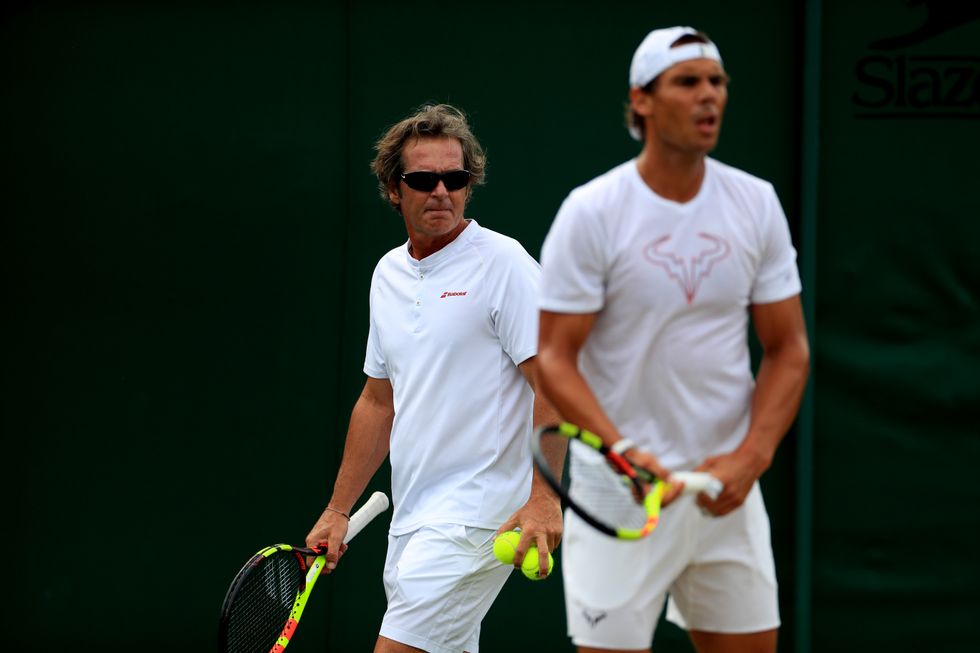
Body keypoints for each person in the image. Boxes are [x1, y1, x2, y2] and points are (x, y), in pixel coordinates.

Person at [535, 26, 811, 653]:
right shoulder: (593, 211)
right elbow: (554, 358)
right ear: (642, 101)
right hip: (620, 491)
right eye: (687, 82)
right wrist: (622, 450)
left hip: (725, 489)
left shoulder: (756, 203)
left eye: (717, 82)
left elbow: (789, 348)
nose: (708, 95)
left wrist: (753, 457)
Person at [305, 103, 563, 653]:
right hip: (413, 518)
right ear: (394, 190)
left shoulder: (504, 264)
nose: (441, 191)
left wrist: (545, 498)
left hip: (479, 518)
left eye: (456, 178)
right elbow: (378, 401)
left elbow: (555, 384)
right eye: (423, 179)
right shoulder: (387, 274)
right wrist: (337, 509)